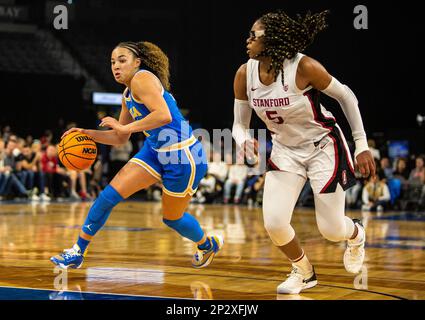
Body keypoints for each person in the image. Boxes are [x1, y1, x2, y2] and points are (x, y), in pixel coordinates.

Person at [232, 10, 376, 294]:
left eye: (253, 35)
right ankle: (304, 271)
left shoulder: (303, 67)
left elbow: (347, 96)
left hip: (323, 145)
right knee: (274, 221)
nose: (247, 40)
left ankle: (356, 233)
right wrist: (243, 139)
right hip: (286, 149)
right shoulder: (243, 73)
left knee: (332, 230)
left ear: (271, 39)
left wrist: (361, 144)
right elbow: (238, 124)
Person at [51, 41, 223, 269]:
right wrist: (87, 134)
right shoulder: (126, 94)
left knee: (172, 219)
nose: (116, 66)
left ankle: (206, 244)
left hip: (182, 156)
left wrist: (125, 128)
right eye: (112, 62)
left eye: (122, 60)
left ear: (137, 63)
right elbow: (119, 138)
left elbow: (164, 116)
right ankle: (77, 252)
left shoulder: (143, 78)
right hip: (154, 151)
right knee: (107, 197)